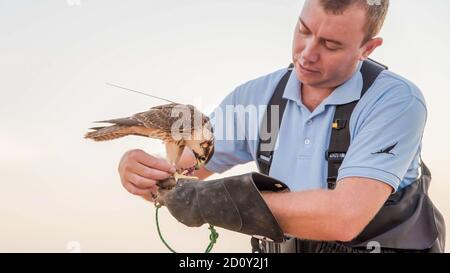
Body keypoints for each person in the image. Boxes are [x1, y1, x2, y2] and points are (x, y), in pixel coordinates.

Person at [117, 0, 445, 252]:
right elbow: (179, 182)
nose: (307, 54)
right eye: (303, 30)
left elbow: (345, 217)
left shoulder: (393, 100)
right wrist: (140, 172)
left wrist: (213, 200)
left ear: (367, 49)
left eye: (330, 45)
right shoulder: (257, 99)